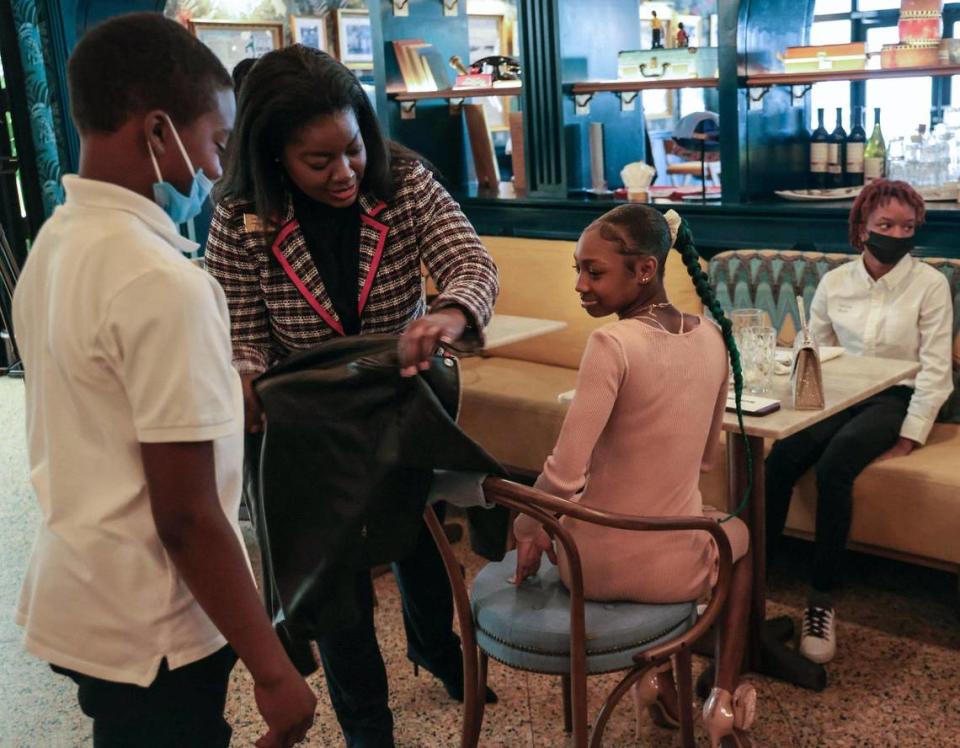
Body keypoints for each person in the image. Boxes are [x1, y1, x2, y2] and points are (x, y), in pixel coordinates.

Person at [11, 13, 316, 748]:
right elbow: (186, 516)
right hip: (155, 624)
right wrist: (274, 673)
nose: (217, 169)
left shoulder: (55, 243)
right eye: (215, 142)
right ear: (157, 132)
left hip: (85, 590)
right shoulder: (159, 282)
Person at [205, 45, 499, 747]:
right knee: (334, 582)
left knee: (419, 542)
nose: (344, 174)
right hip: (307, 421)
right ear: (275, 155)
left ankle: (436, 648)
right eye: (319, 161)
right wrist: (244, 379)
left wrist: (450, 313)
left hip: (402, 396)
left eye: (354, 149)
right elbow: (241, 333)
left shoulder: (407, 184)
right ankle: (368, 728)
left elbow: (469, 261)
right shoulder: (241, 215)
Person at [511, 205, 755, 748]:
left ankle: (661, 681)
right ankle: (720, 694)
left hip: (592, 565)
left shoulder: (613, 344)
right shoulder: (714, 337)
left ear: (645, 270)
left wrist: (527, 530)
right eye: (578, 270)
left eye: (593, 272)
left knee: (583, 513)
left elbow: (564, 472)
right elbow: (706, 461)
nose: (580, 285)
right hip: (672, 562)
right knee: (740, 541)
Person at [765, 179, 954, 665]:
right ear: (861, 229)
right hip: (840, 392)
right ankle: (750, 583)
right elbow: (817, 352)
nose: (897, 233)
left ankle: (821, 600)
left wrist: (911, 436)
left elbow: (935, 369)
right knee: (781, 457)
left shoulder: (929, 285)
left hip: (894, 397)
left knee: (835, 468)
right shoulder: (836, 282)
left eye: (908, 226)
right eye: (886, 224)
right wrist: (793, 407)